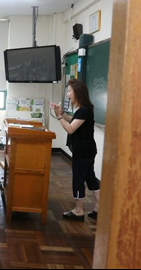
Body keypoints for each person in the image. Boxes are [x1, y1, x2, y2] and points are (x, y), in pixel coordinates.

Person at [51, 79, 100, 221]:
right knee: (90, 177)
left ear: (77, 92)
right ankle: (98, 208)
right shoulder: (83, 109)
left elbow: (71, 128)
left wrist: (59, 117)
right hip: (87, 150)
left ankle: (78, 210)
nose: (67, 94)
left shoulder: (84, 110)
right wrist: (62, 113)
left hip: (83, 151)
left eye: (69, 91)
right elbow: (73, 119)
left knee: (78, 179)